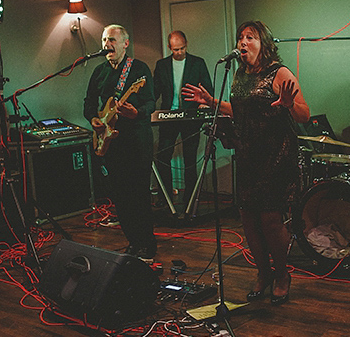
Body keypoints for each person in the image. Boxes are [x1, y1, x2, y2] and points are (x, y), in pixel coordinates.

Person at [182, 21, 310, 305]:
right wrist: (212, 101)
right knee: (248, 218)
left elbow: (304, 114)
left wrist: (288, 104)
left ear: (263, 42)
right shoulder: (239, 74)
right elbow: (240, 110)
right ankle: (262, 274)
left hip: (276, 155)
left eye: (249, 37)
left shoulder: (279, 72)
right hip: (249, 155)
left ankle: (281, 275)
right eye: (240, 37)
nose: (243, 42)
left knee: (270, 219)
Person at [84, 24, 158, 260]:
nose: (108, 44)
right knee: (121, 197)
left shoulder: (138, 69)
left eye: (113, 40)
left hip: (136, 141)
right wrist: (94, 119)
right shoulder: (99, 71)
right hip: (111, 142)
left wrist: (136, 113)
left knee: (139, 195)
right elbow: (88, 103)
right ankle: (133, 242)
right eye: (105, 40)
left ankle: (147, 244)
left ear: (125, 43)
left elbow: (150, 103)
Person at [153, 31, 214, 206]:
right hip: (168, 116)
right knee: (163, 157)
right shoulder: (162, 65)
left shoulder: (198, 63)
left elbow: (207, 89)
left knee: (190, 160)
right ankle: (165, 199)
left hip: (190, 117)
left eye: (182, 48)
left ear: (186, 44)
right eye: (175, 49)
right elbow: (154, 91)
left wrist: (204, 103)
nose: (179, 52)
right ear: (169, 47)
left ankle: (190, 201)